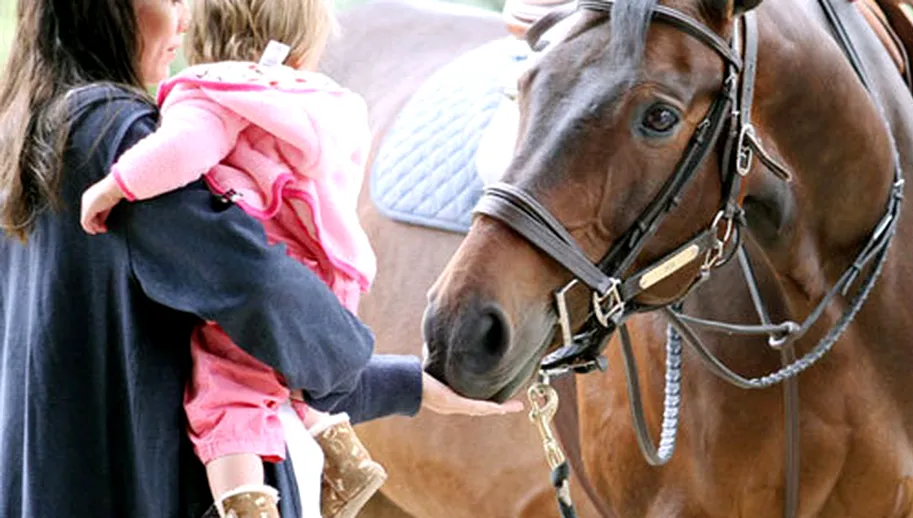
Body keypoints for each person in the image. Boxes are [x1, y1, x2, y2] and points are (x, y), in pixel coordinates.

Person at [0, 0, 522, 517]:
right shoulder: (123, 141)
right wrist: (380, 373)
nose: (184, 16)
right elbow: (257, 289)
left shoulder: (22, 132)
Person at [76, 0, 410, 515]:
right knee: (286, 375)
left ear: (204, 39)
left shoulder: (218, 93)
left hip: (270, 266)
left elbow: (184, 149)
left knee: (224, 394)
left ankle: (244, 505)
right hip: (332, 274)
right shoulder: (325, 101)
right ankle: (344, 456)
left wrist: (114, 186)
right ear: (303, 47)